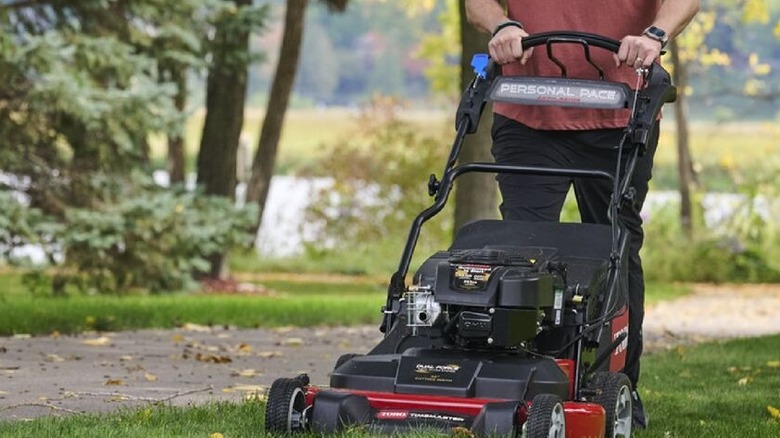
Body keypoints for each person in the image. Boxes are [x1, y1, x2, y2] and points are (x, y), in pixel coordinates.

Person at [465, 0, 700, 429]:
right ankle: (517, 384)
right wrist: (501, 25)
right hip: (527, 109)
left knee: (616, 246)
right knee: (520, 251)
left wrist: (655, 35)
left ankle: (619, 389)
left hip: (622, 112)